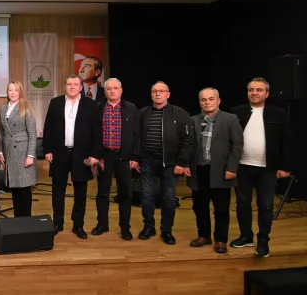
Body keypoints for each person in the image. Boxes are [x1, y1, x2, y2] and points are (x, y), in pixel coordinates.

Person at [230, 77, 291, 257]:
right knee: (242, 204)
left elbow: (287, 141)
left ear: (267, 93)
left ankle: (263, 241)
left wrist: (285, 167)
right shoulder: (236, 112)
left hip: (268, 168)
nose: (254, 93)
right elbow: (229, 139)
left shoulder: (278, 114)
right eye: (251, 90)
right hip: (242, 166)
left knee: (265, 205)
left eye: (259, 90)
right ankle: (246, 236)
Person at [42, 74, 102, 238]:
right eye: (69, 84)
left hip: (82, 155)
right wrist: (47, 150)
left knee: (80, 192)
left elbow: (97, 132)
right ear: (65, 86)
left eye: (75, 84)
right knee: (58, 191)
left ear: (81, 87)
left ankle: (78, 225)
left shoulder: (91, 105)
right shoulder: (56, 103)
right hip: (59, 153)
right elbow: (48, 128)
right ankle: (57, 223)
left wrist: (95, 154)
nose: (72, 87)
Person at [187, 88, 243, 254]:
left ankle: (220, 239)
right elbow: (187, 145)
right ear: (199, 102)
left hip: (221, 170)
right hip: (199, 170)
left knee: (221, 208)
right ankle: (204, 235)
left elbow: (237, 145)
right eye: (203, 100)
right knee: (199, 207)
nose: (207, 103)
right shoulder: (192, 120)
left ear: (218, 101)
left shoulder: (230, 119)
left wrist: (232, 167)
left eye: (211, 99)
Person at [137, 81, 193, 245]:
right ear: (151, 94)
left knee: (168, 198)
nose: (158, 94)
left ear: (168, 94)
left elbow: (188, 140)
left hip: (170, 163)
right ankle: (149, 226)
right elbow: (137, 137)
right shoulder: (143, 113)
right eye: (154, 91)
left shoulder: (179, 113)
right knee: (146, 196)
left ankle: (166, 230)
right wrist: (137, 157)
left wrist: (182, 162)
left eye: (161, 91)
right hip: (147, 161)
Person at [92, 78, 139, 240]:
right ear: (105, 91)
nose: (112, 91)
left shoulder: (131, 108)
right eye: (109, 89)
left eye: (115, 88)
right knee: (102, 192)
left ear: (121, 90)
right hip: (104, 157)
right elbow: (92, 134)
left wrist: (135, 157)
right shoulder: (98, 108)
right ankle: (102, 224)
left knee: (125, 193)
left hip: (124, 156)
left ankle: (125, 227)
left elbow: (137, 135)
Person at [0, 80, 37, 217]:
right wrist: (0, 151)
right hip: (9, 152)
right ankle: (17, 220)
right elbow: (1, 132)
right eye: (10, 90)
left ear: (20, 91)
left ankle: (25, 220)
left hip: (23, 152)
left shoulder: (26, 107)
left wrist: (30, 155)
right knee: (14, 187)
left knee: (24, 188)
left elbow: (32, 134)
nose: (13, 93)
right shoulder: (3, 109)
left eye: (16, 90)